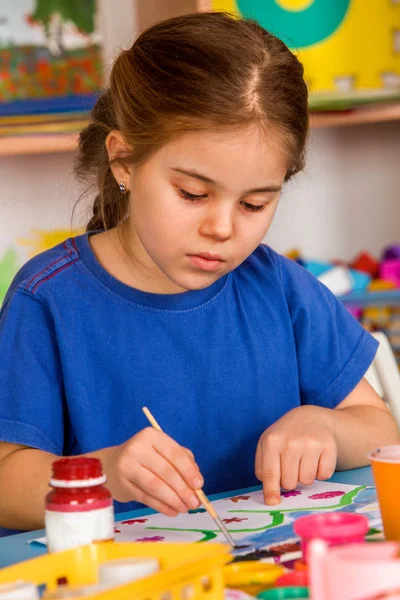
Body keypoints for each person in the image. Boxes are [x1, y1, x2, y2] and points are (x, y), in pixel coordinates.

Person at [0, 12, 398, 534]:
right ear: (123, 162)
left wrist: (324, 425)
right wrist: (107, 473)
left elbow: (378, 425)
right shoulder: (48, 299)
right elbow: (6, 487)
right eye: (193, 194)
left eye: (255, 204)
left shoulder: (277, 286)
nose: (222, 228)